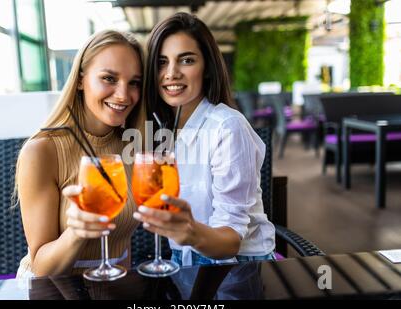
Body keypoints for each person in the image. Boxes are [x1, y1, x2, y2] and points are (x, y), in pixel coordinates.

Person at [134, 12, 276, 266]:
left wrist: (189, 231)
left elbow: (231, 240)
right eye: (162, 62)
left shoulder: (227, 127)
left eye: (186, 60)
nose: (171, 73)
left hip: (237, 266)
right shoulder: (160, 128)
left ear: (207, 68)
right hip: (183, 260)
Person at [15, 30, 144, 279]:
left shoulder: (131, 145)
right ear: (81, 80)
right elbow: (41, 267)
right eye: (109, 78)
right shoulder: (41, 151)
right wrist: (77, 232)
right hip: (52, 291)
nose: (123, 95)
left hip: (113, 286)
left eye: (134, 82)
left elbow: (121, 241)